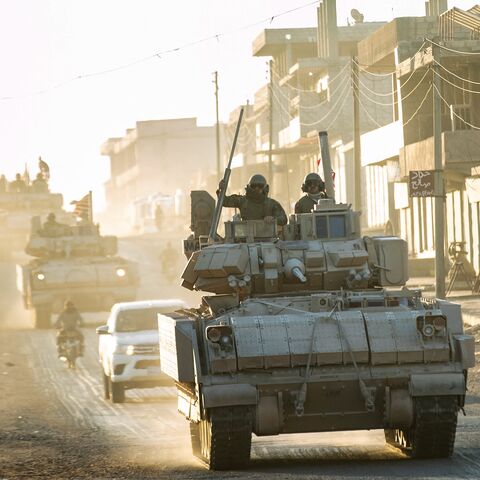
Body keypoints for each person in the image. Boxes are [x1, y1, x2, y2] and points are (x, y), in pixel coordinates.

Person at [218, 174, 287, 226]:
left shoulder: (271, 204)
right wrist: (221, 189)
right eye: (254, 186)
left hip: (267, 237)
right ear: (249, 187)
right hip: (246, 238)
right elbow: (224, 201)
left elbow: (283, 219)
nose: (256, 189)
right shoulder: (242, 201)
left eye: (260, 186)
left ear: (264, 188)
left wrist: (273, 219)